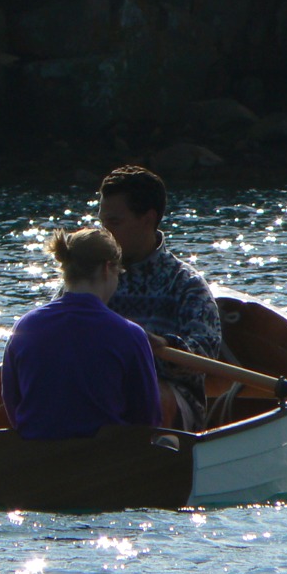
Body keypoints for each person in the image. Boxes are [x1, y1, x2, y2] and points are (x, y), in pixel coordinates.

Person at [1, 227, 162, 440]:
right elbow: (147, 418)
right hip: (104, 461)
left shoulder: (24, 327)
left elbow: (12, 403)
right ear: (107, 268)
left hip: (38, 459)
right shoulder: (130, 335)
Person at [97, 165, 222, 431]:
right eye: (102, 222)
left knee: (144, 390)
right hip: (98, 390)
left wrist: (159, 346)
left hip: (170, 405)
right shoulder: (90, 277)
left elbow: (206, 355)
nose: (104, 233)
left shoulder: (185, 283)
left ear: (148, 219)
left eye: (114, 223)